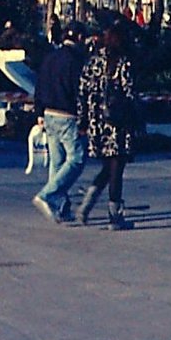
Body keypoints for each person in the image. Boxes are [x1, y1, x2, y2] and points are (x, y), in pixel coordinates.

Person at [76, 24, 142, 229]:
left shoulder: (92, 63)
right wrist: (138, 119)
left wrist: (83, 121)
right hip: (118, 125)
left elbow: (82, 93)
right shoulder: (123, 64)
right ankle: (114, 216)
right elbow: (130, 94)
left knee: (108, 167)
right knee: (116, 169)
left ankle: (86, 206)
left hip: (97, 124)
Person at [28, 27, 87, 224]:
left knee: (57, 161)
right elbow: (80, 91)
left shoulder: (50, 58)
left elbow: (39, 86)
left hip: (48, 113)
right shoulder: (76, 62)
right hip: (67, 114)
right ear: (78, 38)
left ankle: (60, 207)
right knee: (76, 158)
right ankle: (48, 195)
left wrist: (39, 112)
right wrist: (84, 118)